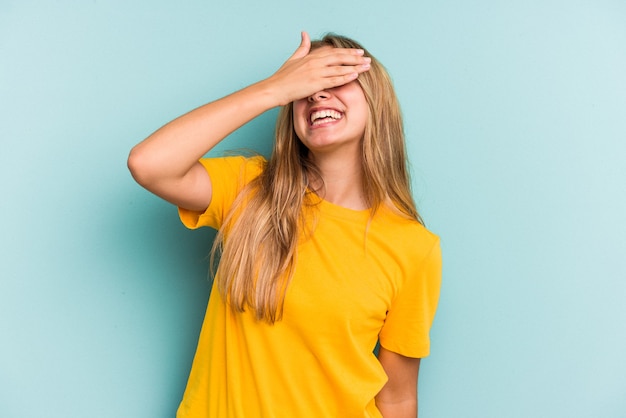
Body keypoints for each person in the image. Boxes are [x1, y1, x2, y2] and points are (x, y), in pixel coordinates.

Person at [128, 31, 442, 418]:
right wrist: (273, 89)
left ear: (376, 100)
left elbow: (397, 397)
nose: (317, 94)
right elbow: (148, 164)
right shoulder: (249, 189)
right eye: (307, 85)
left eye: (335, 77)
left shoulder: (414, 247)